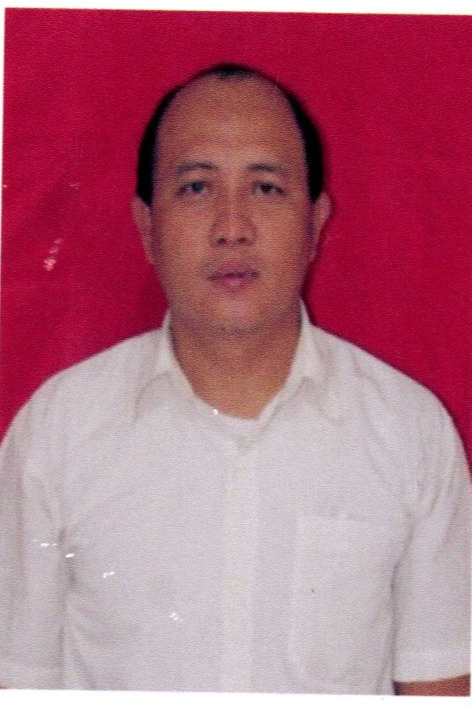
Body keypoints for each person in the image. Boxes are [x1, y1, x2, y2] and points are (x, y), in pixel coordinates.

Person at [0, 63, 470, 695]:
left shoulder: (410, 434)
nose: (232, 227)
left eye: (266, 188)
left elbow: (440, 688)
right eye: (196, 187)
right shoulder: (57, 432)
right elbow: (17, 684)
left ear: (316, 222)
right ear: (146, 226)